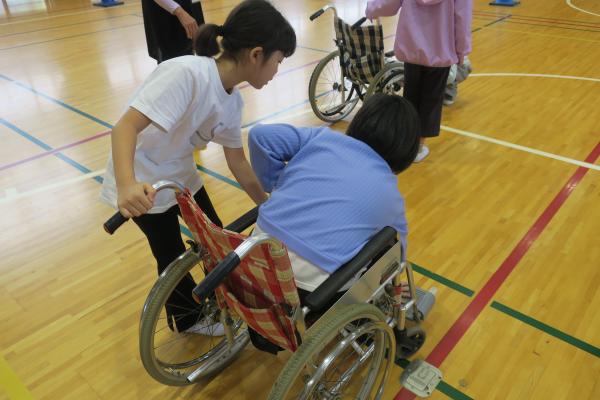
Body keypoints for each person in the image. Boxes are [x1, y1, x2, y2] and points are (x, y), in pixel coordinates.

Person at [101, 0, 296, 335]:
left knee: (216, 239)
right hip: (143, 179)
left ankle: (221, 298)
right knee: (171, 256)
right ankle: (188, 318)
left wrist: (267, 204)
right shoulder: (187, 74)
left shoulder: (232, 99)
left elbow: (237, 160)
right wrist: (126, 184)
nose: (277, 70)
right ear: (256, 55)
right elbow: (124, 128)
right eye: (278, 62)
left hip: (181, 175)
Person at [248, 93, 419, 295]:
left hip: (254, 256)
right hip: (309, 289)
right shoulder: (390, 195)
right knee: (385, 240)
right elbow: (398, 251)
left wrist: (278, 186)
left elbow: (260, 136)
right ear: (405, 151)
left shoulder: (323, 138)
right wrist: (394, 281)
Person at [366, 0, 472, 162]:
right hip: (439, 50)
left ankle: (406, 141)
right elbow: (462, 18)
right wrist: (461, 50)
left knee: (411, 96)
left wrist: (372, 8)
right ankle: (417, 148)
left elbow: (390, 2)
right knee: (431, 101)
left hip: (412, 48)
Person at [141, 0, 205, 63]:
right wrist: (179, 12)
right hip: (165, 16)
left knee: (188, 58)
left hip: (182, 9)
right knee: (174, 61)